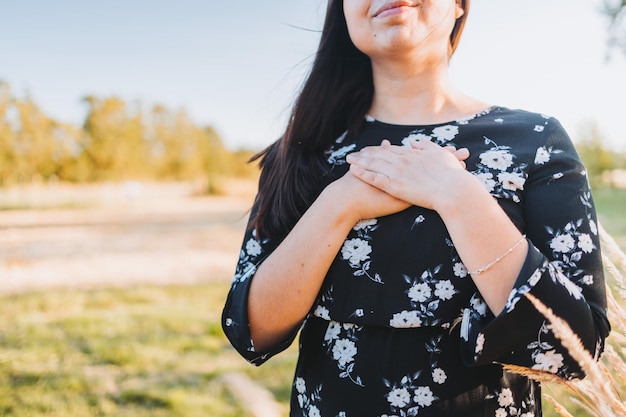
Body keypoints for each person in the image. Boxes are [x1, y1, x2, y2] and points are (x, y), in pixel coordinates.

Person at [222, 0, 611, 415]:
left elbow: (576, 349)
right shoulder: (303, 152)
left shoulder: (533, 142)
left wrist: (458, 197)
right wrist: (340, 203)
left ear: (460, 6)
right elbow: (251, 332)